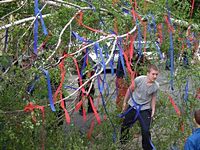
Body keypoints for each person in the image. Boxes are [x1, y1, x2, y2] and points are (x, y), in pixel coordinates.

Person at [120, 64, 159, 150]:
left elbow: (153, 98)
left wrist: (153, 110)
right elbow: (130, 90)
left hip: (145, 109)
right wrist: (124, 102)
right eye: (153, 74)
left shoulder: (156, 86)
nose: (155, 76)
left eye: (156, 74)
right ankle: (123, 143)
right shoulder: (139, 80)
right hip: (133, 105)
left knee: (145, 130)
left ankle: (147, 147)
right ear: (148, 73)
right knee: (125, 125)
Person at [78, 49, 95, 115]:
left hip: (90, 79)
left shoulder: (89, 57)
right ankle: (81, 109)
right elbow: (79, 67)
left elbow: (91, 66)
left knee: (91, 93)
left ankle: (91, 108)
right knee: (82, 94)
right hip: (83, 79)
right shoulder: (80, 57)